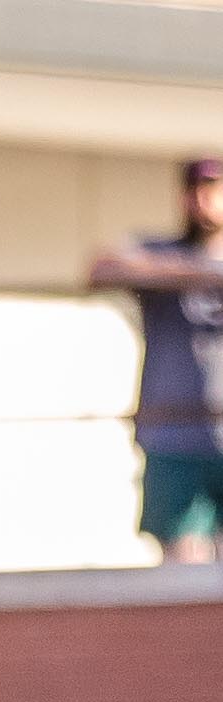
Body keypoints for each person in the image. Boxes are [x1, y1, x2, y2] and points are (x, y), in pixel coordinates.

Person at [88, 157, 223, 560]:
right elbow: (102, 267)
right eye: (195, 189)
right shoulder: (159, 251)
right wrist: (194, 273)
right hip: (176, 437)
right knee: (183, 569)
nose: (204, 200)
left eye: (214, 188)